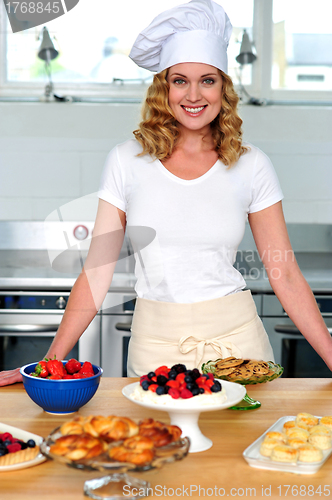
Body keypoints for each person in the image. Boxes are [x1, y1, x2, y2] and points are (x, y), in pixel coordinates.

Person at [1, 0, 331, 385]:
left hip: (237, 347)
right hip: (154, 349)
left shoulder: (251, 164)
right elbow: (96, 274)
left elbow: (284, 271)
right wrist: (48, 366)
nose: (194, 95)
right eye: (180, 81)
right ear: (165, 88)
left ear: (223, 86)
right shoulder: (126, 161)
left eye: (207, 79)